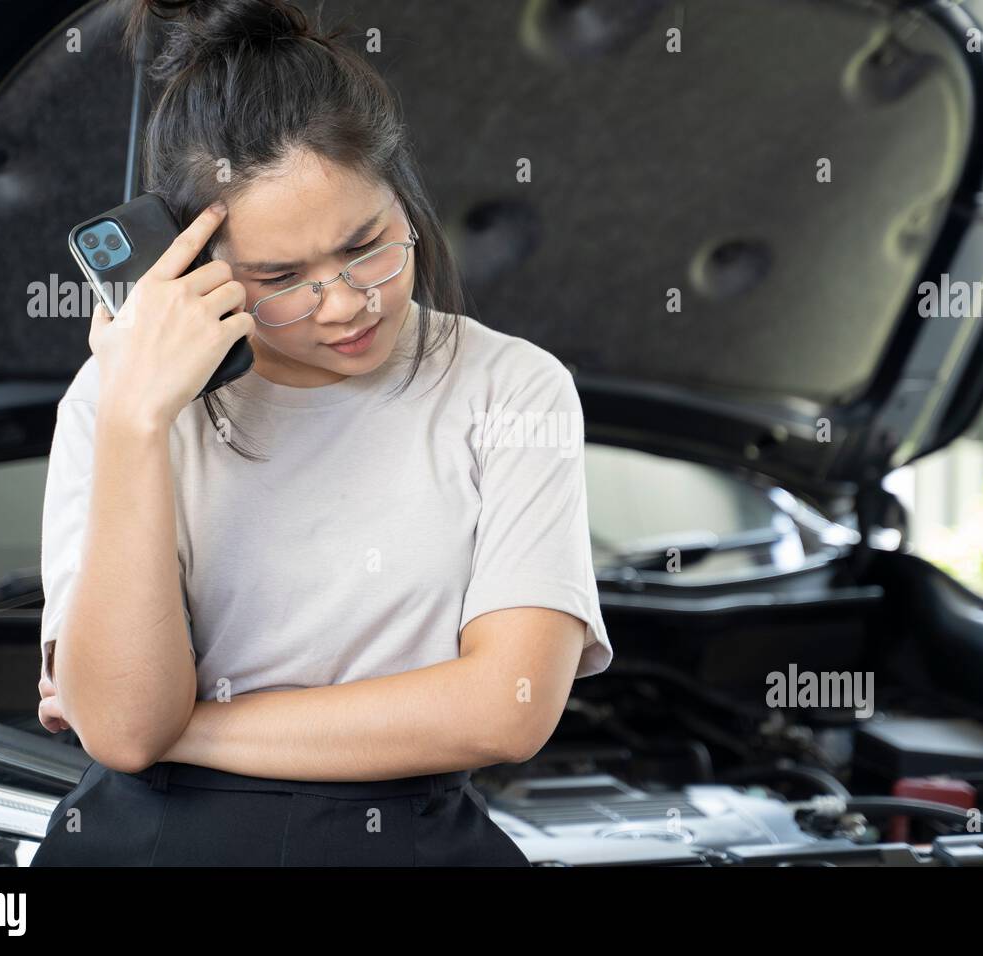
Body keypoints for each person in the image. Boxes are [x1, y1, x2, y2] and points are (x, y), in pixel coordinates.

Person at [30, 0, 612, 866]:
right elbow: (119, 726)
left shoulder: (512, 387)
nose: (343, 303)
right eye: (278, 277)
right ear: (194, 268)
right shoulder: (113, 402)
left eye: (366, 245)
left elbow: (506, 708)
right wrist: (135, 420)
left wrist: (181, 729)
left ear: (402, 197)